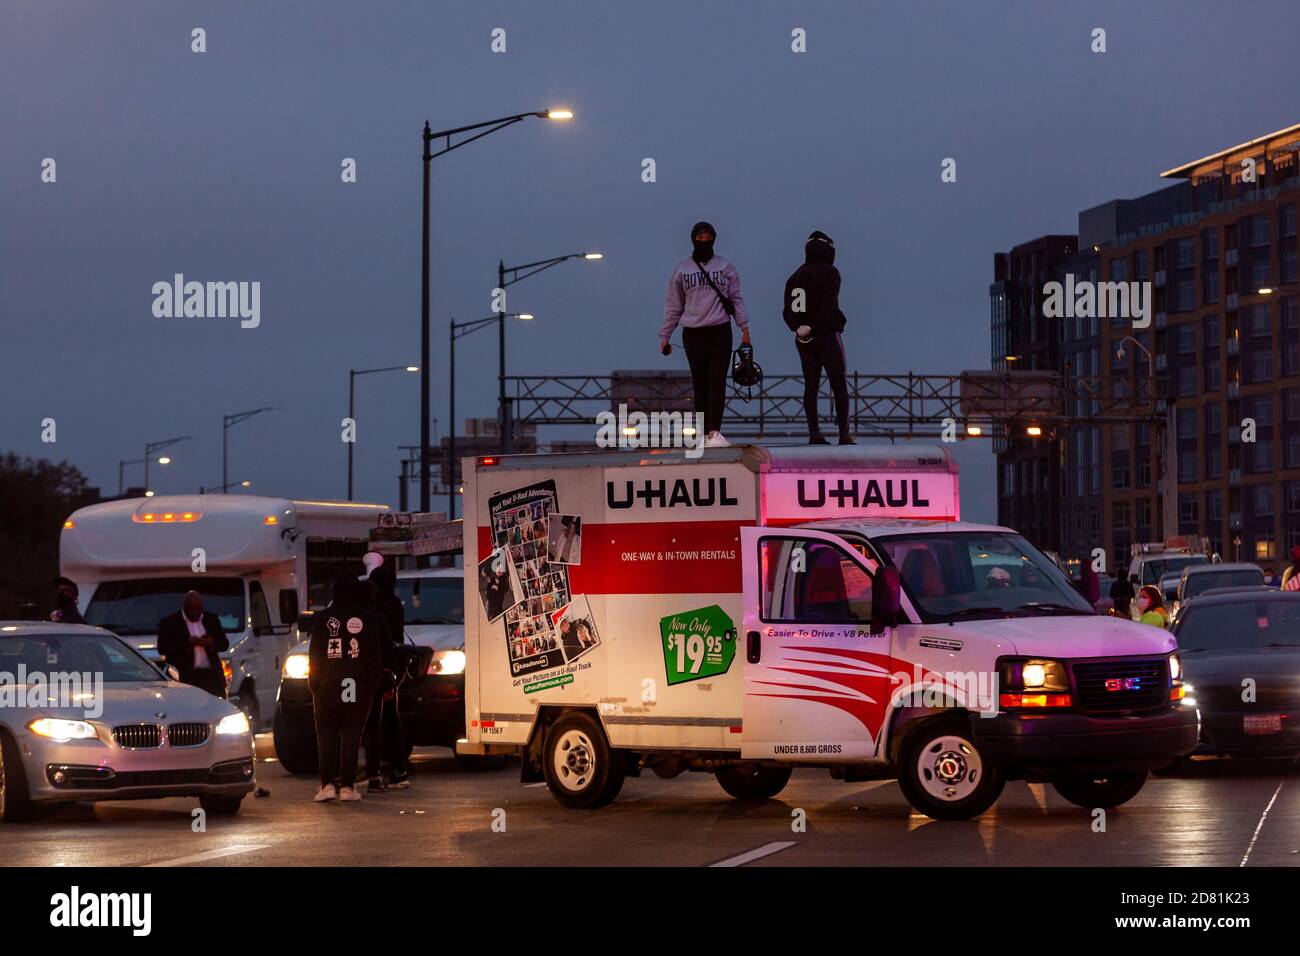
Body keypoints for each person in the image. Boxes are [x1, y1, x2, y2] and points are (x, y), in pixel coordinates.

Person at [660, 220, 750, 448]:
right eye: (699, 238)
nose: (704, 241)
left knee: (717, 382)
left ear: (714, 239)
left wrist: (744, 329)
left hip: (720, 330)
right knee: (700, 383)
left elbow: (736, 299)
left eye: (707, 237)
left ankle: (714, 432)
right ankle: (702, 433)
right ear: (693, 239)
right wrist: (665, 335)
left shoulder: (725, 266)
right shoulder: (682, 269)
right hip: (692, 333)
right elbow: (674, 305)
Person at [309, 570, 382, 803]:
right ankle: (349, 787)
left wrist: (315, 685)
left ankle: (327, 785)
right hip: (356, 683)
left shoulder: (321, 619)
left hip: (327, 683)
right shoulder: (367, 618)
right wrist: (371, 688)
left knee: (327, 734)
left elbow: (315, 655)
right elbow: (373, 657)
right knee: (352, 734)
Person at [782, 230, 853, 445]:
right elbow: (827, 304)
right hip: (827, 335)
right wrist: (815, 326)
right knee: (838, 383)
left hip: (803, 339)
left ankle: (814, 433)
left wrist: (798, 327)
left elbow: (787, 310)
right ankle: (844, 434)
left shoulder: (794, 276)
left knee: (810, 385)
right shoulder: (831, 273)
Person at [364, 564, 409, 791]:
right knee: (392, 718)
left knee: (374, 722)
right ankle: (398, 770)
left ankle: (376, 772)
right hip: (392, 669)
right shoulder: (395, 604)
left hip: (378, 670)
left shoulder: (375, 608)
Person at [157, 591, 229, 698]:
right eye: (192, 610)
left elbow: (224, 644)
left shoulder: (211, 619)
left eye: (199, 610)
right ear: (185, 608)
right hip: (185, 677)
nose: (196, 613)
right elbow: (162, 648)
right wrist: (188, 643)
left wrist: (211, 642)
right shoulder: (170, 623)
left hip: (211, 677)